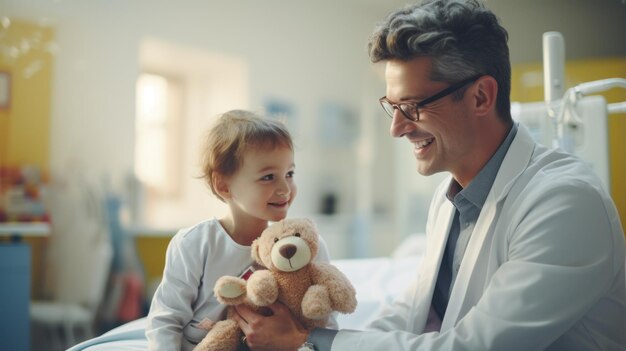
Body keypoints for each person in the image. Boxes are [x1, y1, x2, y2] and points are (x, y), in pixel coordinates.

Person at [231, 0, 626, 350]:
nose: (397, 127)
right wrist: (303, 337)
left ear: (481, 97)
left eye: (413, 106)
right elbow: (413, 312)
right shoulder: (449, 197)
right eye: (392, 105)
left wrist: (308, 342)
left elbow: (474, 346)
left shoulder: (564, 202)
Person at [145, 109, 336, 351]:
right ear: (223, 185)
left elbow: (325, 323)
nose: (285, 188)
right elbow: (166, 319)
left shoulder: (303, 245)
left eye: (289, 174)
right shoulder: (195, 244)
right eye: (268, 177)